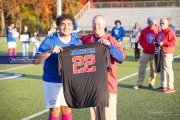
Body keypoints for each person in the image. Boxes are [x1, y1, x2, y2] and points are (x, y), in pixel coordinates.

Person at [33, 13, 83, 120]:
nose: (66, 27)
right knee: (54, 110)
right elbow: (35, 60)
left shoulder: (78, 42)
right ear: (58, 26)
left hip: (69, 81)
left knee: (67, 108)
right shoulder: (50, 40)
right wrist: (50, 51)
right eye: (63, 24)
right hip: (52, 80)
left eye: (69, 24)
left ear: (73, 26)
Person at [80, 15, 125, 120]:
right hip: (91, 86)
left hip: (107, 85)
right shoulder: (87, 39)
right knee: (94, 117)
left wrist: (110, 46)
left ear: (104, 25)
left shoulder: (111, 39)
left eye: (99, 24)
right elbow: (71, 44)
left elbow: (121, 58)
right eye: (94, 24)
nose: (96, 26)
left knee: (108, 117)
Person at [133, 17, 161, 89]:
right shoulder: (145, 30)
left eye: (152, 22)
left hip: (155, 52)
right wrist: (144, 46)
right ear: (147, 23)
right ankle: (139, 83)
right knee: (142, 68)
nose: (151, 23)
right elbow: (140, 40)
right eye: (149, 22)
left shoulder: (159, 30)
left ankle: (151, 83)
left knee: (153, 69)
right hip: (146, 52)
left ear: (154, 22)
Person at [155, 18, 176, 93]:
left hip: (167, 53)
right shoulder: (161, 32)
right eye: (160, 23)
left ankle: (171, 87)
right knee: (162, 70)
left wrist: (164, 43)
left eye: (163, 23)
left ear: (167, 24)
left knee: (168, 70)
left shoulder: (170, 31)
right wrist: (156, 43)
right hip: (161, 52)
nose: (161, 24)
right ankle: (163, 85)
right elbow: (160, 41)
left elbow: (173, 43)